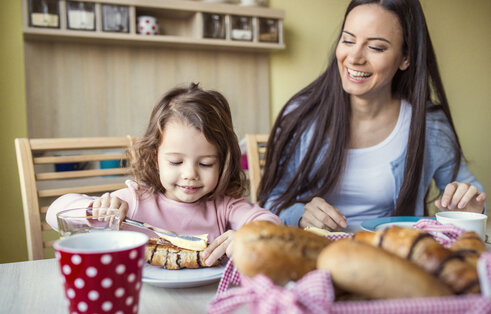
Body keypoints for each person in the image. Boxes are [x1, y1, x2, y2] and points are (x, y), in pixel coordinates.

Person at [258, 0, 486, 232]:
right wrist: (300, 215)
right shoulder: (301, 115)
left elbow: (469, 195)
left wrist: (467, 207)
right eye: (348, 40)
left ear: (405, 57)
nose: (355, 57)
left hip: (392, 259)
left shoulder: (428, 125)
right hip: (314, 257)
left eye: (376, 47)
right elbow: (269, 202)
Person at [46, 83, 280, 265]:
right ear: (155, 157)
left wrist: (248, 237)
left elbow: (273, 225)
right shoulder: (136, 202)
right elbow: (56, 211)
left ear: (224, 162)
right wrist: (95, 209)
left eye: (206, 164)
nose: (190, 174)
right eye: (176, 161)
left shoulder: (224, 206)